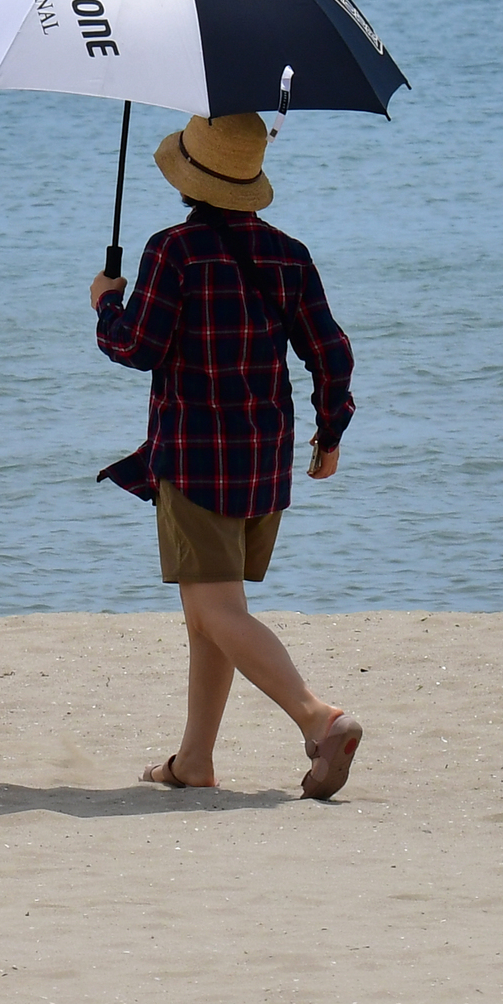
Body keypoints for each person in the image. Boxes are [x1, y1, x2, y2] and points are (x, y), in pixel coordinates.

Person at [90, 111, 362, 799]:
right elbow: (330, 352)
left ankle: (319, 718)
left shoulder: (173, 251)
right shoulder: (289, 255)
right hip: (265, 458)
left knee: (214, 610)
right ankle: (194, 761)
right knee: (208, 610)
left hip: (195, 455)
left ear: (189, 178)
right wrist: (330, 433)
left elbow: (137, 348)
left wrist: (105, 307)